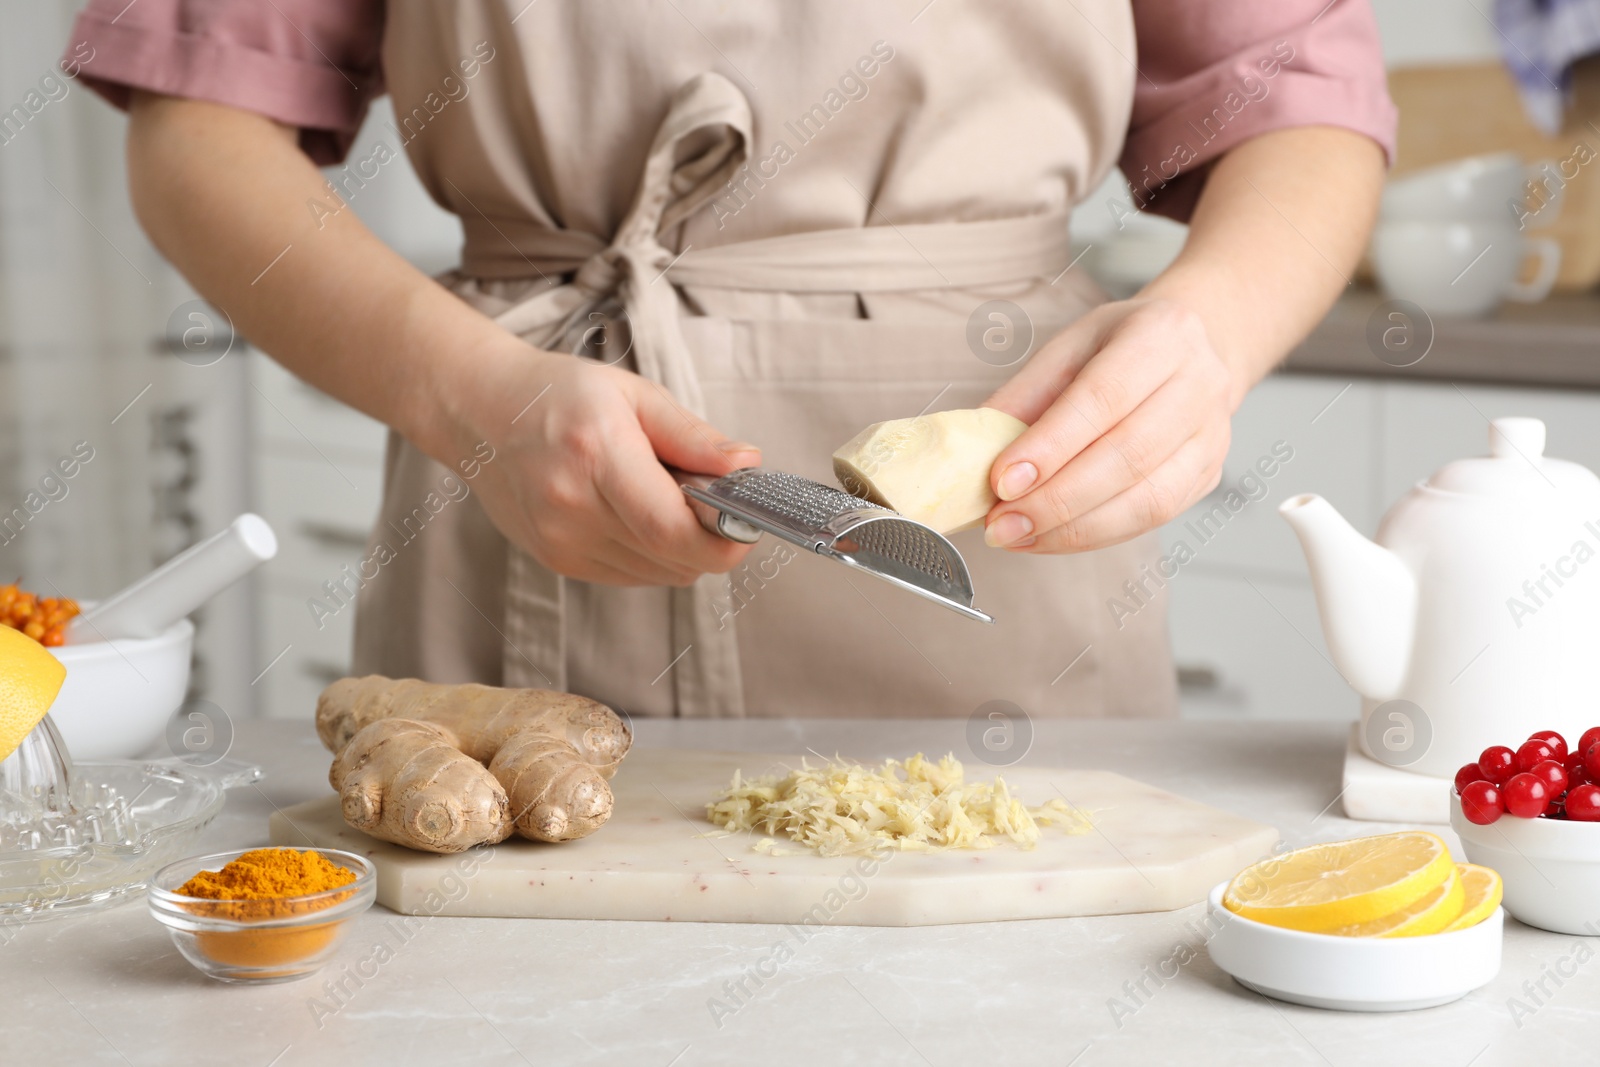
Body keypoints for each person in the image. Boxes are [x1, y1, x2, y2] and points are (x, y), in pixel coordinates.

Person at [65, 1, 1394, 721]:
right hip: (512, 472)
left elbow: (1299, 96)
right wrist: (469, 398)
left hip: (1002, 535)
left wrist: (1204, 334)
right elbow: (200, 126)